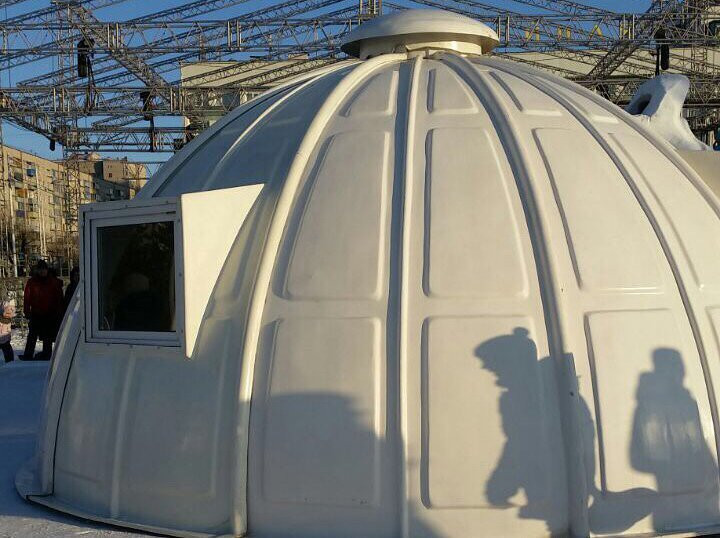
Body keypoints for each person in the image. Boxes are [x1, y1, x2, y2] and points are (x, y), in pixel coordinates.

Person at [21, 260, 63, 360]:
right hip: (36, 313)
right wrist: (27, 311)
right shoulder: (32, 282)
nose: (42, 271)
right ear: (37, 270)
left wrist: (58, 312)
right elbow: (27, 298)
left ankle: (46, 354)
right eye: (40, 269)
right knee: (32, 335)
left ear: (47, 270)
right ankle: (28, 354)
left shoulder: (53, 282)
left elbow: (59, 298)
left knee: (47, 336)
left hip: (50, 313)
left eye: (44, 269)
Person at [0, 294, 15, 363]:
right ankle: (10, 361)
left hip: (4, 336)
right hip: (4, 335)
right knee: (7, 347)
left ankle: (10, 361)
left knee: (7, 347)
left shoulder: (7, 304)